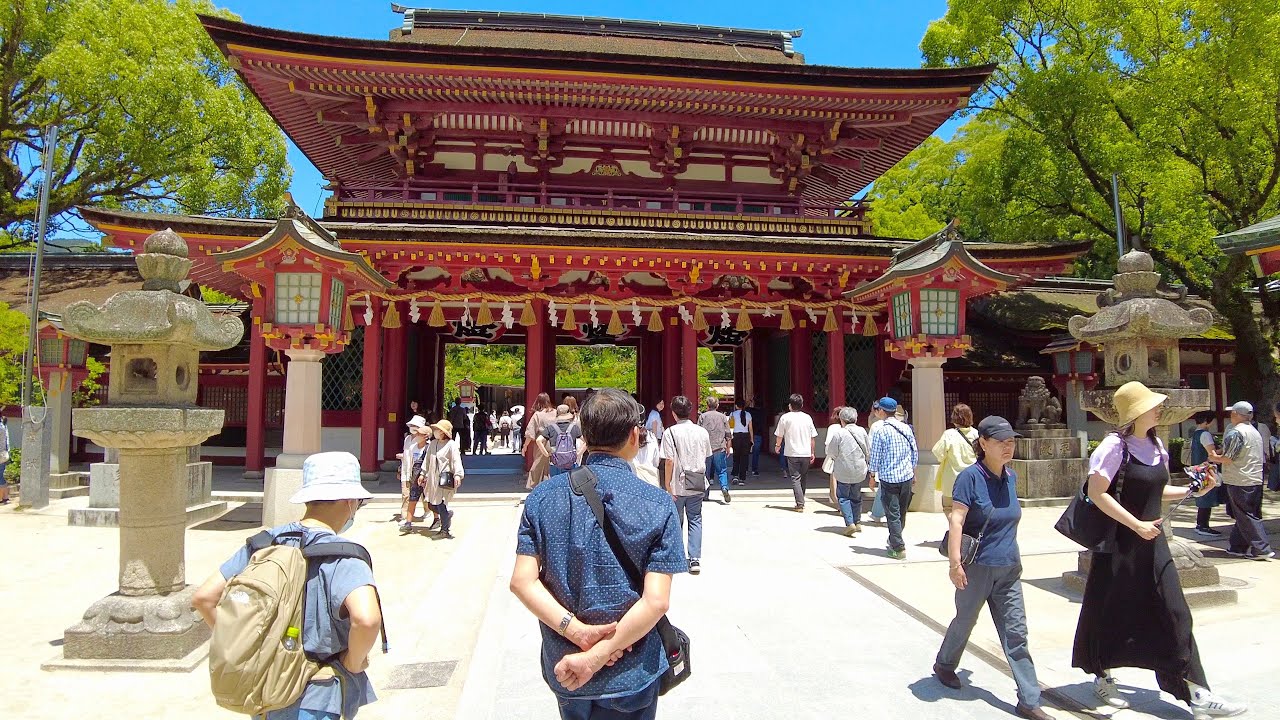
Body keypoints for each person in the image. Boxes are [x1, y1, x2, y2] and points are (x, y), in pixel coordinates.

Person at [511, 388, 687, 720]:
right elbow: (656, 601)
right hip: (632, 669)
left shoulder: (542, 497)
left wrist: (576, 632)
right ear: (635, 436)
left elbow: (522, 582)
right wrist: (598, 656)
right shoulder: (658, 503)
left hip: (565, 661)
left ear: (584, 435)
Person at [1072, 381, 1245, 718]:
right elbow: (1097, 492)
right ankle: (1102, 672)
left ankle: (1196, 691)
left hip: (1153, 543)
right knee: (1110, 610)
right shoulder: (1112, 446)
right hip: (1120, 545)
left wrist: (1191, 490)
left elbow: (1157, 489)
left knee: (1176, 612)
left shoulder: (1156, 445)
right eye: (1152, 405)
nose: (1158, 408)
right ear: (1136, 412)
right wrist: (1136, 524)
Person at [192, 451, 381, 720]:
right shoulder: (345, 557)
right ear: (349, 501)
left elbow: (204, 598)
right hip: (317, 693)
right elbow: (367, 619)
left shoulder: (264, 543)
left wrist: (247, 643)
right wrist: (352, 662)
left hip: (266, 689)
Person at [933, 417, 1051, 720]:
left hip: (1009, 567)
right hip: (978, 568)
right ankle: (945, 664)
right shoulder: (970, 478)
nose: (1008, 446)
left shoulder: (1010, 477)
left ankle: (1029, 700)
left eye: (1011, 440)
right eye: (1001, 441)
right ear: (983, 443)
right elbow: (956, 520)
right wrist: (955, 563)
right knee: (965, 621)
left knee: (1016, 633)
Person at [1210, 400, 1273, 560]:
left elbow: (1228, 458)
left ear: (1237, 414)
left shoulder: (1236, 432)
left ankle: (1261, 548)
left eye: (1232, 413)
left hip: (1239, 479)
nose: (1231, 415)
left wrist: (1214, 457)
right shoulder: (1254, 431)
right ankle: (1237, 546)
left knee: (1246, 515)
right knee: (1246, 514)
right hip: (1255, 478)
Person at [661, 395, 712, 575]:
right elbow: (706, 455)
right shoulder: (701, 432)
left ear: (673, 413)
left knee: (676, 521)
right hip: (697, 482)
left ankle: (677, 556)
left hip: (677, 484)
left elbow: (669, 460)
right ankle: (695, 558)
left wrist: (667, 484)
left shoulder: (670, 433)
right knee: (695, 519)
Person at [867, 397, 918, 560]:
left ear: (882, 411)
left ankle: (898, 547)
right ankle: (895, 538)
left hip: (889, 477)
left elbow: (875, 456)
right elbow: (914, 452)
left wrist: (872, 475)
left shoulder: (881, 430)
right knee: (901, 512)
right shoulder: (906, 428)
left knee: (892, 513)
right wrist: (913, 471)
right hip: (906, 476)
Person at [825, 407, 869, 536]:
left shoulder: (839, 433)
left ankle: (849, 523)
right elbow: (868, 449)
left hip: (844, 468)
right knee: (856, 496)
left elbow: (831, 452)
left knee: (843, 497)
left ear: (842, 420)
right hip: (859, 468)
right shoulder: (862, 431)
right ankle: (858, 521)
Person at [421, 419, 464, 539]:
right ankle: (446, 516)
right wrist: (422, 474)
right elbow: (427, 460)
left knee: (440, 503)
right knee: (430, 504)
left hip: (444, 478)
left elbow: (456, 460)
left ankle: (445, 529)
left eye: (438, 430)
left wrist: (458, 475)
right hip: (432, 478)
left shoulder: (451, 445)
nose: (436, 432)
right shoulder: (433, 444)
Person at [774, 394, 818, 512]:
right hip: (806, 452)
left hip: (792, 452)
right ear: (801, 405)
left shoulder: (785, 418)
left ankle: (800, 503)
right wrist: (812, 452)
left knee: (795, 477)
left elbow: (779, 435)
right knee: (803, 477)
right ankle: (801, 499)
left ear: (790, 405)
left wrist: (777, 446)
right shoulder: (807, 417)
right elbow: (812, 437)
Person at [933, 404, 978, 506]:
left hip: (952, 480)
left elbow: (938, 453)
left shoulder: (949, 434)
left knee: (949, 509)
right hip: (972, 478)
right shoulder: (976, 434)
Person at [1189, 411, 1223, 537]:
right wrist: (1225, 448)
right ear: (1207, 421)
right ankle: (1203, 525)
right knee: (1206, 497)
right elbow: (1212, 454)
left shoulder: (1195, 433)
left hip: (1197, 468)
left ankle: (1201, 524)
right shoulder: (1205, 434)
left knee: (1202, 496)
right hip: (1206, 469)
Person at [398, 416, 436, 530]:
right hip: (411, 473)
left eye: (416, 427)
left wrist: (425, 474)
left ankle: (436, 517)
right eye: (412, 426)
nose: (413, 429)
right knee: (410, 497)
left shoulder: (430, 447)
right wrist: (401, 468)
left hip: (425, 476)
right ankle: (407, 520)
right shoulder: (409, 441)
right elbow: (408, 458)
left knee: (429, 498)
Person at [698, 396, 732, 503]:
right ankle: (724, 488)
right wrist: (728, 447)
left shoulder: (702, 417)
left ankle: (705, 494)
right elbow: (728, 434)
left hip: (706, 449)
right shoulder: (722, 417)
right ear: (717, 405)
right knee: (722, 470)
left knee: (705, 472)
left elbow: (698, 433)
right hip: (719, 447)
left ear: (707, 405)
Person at [542, 404, 584, 479]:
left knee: (555, 485)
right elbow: (586, 441)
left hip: (555, 462)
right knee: (570, 484)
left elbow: (538, 440)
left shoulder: (550, 428)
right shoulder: (574, 427)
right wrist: (578, 453)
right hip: (570, 463)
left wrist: (546, 454)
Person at [524, 393, 556, 490]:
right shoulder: (556, 412)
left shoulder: (538, 415)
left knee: (538, 465)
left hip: (542, 442)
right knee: (553, 465)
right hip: (555, 441)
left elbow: (530, 433)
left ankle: (535, 486)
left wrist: (525, 446)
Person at [729, 398, 753, 486]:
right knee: (744, 457)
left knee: (736, 457)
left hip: (736, 436)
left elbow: (730, 427)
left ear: (736, 406)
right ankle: (742, 478)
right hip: (746, 437)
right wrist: (752, 439)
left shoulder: (732, 414)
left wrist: (729, 439)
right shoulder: (748, 415)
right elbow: (750, 428)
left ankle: (735, 475)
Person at [746, 397, 764, 477]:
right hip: (758, 434)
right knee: (756, 453)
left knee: (745, 453)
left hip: (748, 434)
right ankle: (754, 469)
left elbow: (744, 407)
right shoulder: (763, 412)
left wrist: (749, 402)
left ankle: (745, 469)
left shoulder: (750, 411)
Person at [0, 410, 10, 504]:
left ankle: (5, 497)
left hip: (0, 454)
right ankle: (5, 497)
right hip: (2, 453)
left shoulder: (1, 426)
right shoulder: (3, 425)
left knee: (0, 476)